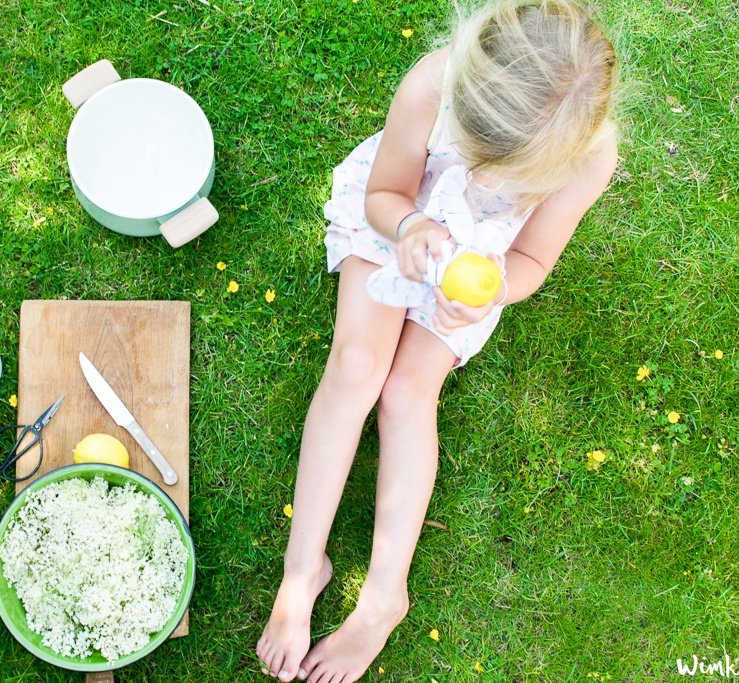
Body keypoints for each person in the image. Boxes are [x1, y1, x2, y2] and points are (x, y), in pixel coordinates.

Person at [256, 1, 620, 681]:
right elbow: (385, 192)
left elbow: (531, 262)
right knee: (357, 365)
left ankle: (384, 597)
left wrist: (480, 292)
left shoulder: (589, 155)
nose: (483, 176)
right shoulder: (434, 83)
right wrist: (412, 230)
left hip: (478, 262)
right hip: (401, 224)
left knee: (406, 394)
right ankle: (303, 568)